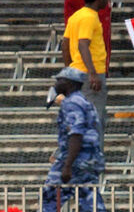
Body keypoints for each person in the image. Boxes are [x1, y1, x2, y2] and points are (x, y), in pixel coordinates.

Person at [41, 68, 105, 212]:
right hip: (88, 159)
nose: (56, 83)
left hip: (75, 160)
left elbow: (76, 134)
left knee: (50, 197)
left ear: (68, 83)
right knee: (90, 202)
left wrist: (68, 165)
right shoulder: (83, 101)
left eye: (59, 80)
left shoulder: (71, 103)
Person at [62, 0, 109, 131]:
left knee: (79, 118)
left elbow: (65, 45)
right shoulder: (90, 18)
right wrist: (93, 74)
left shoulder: (76, 16)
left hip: (77, 74)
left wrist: (70, 69)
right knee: (95, 120)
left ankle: (62, 153)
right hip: (91, 75)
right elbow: (83, 44)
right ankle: (94, 154)